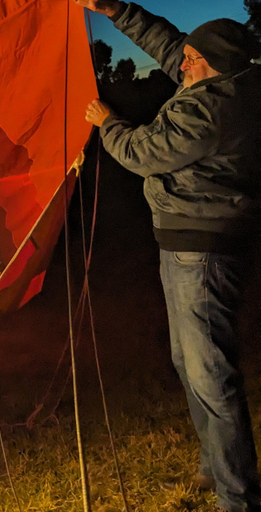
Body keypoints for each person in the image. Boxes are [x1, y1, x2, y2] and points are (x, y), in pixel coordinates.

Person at [74, 1, 261, 511]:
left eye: (194, 60)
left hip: (202, 256)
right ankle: (216, 467)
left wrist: (107, 122)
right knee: (190, 362)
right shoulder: (226, 77)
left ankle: (238, 497)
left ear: (217, 64)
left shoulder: (212, 107)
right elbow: (170, 43)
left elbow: (144, 154)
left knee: (211, 375)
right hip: (188, 247)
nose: (183, 65)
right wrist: (116, 9)